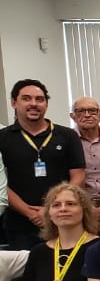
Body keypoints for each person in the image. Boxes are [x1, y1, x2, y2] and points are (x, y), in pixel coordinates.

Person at [1, 79, 87, 249]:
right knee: (26, 266)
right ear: (14, 103)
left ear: (46, 104)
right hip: (20, 224)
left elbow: (78, 176)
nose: (34, 104)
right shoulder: (2, 138)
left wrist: (51, 210)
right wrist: (29, 212)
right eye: (26, 98)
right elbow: (1, 184)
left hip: (63, 220)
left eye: (39, 99)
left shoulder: (67, 135)